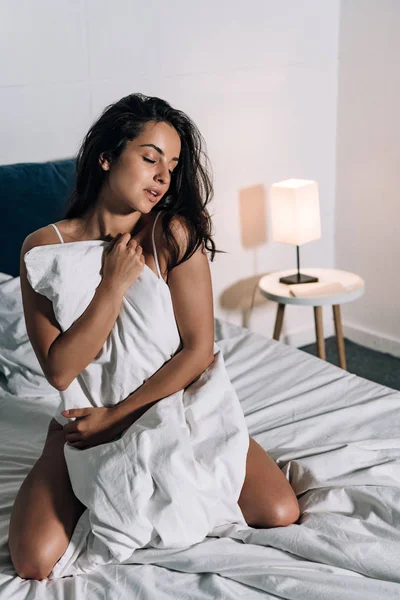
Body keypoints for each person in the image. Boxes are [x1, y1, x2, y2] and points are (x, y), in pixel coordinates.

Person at [8, 93, 300, 581]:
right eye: (150, 158)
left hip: (176, 403)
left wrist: (116, 420)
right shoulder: (43, 248)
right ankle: (66, 458)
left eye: (173, 163)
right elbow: (59, 369)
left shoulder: (172, 234)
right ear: (106, 157)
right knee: (34, 560)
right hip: (85, 416)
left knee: (278, 512)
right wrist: (113, 284)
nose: (164, 175)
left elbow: (198, 350)